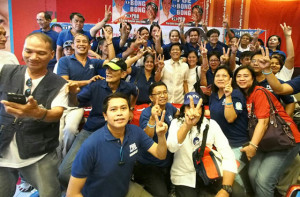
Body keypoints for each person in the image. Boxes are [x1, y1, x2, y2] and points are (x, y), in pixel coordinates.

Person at [0, 32, 68, 197]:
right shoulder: (6, 71)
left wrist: (39, 113)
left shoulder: (59, 83)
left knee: (50, 193)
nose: (33, 57)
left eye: (41, 53)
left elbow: (57, 113)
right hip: (2, 147)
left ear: (52, 54)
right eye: (28, 51)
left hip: (38, 152)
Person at [66, 92, 168, 197]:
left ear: (130, 113)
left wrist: (161, 136)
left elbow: (161, 155)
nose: (119, 113)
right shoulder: (91, 145)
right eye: (113, 109)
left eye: (123, 108)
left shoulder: (136, 132)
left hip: (124, 189)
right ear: (105, 116)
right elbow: (72, 193)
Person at [59, 58, 139, 188]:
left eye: (113, 70)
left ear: (123, 74)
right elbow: (76, 102)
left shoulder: (127, 87)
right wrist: (73, 94)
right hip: (91, 131)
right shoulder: (95, 86)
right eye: (107, 68)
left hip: (115, 134)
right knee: (64, 172)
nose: (108, 72)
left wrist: (131, 108)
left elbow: (135, 92)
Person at [233, 65, 300, 197]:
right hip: (265, 143)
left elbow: (263, 123)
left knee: (264, 181)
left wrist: (252, 145)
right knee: (252, 174)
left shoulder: (259, 92)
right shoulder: (243, 96)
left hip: (285, 142)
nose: (242, 79)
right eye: (238, 76)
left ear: (253, 78)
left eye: (246, 76)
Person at [167, 92, 237, 197]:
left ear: (202, 109)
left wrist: (226, 189)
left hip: (210, 174)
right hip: (184, 177)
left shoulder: (211, 124)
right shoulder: (176, 123)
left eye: (197, 106)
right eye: (189, 106)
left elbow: (228, 154)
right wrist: (187, 125)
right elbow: (172, 147)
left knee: (238, 192)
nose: (193, 110)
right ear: (184, 109)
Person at [210, 65, 251, 195]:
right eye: (217, 75)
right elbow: (213, 114)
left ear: (230, 79)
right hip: (222, 146)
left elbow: (230, 118)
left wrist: (228, 97)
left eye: (224, 76)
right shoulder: (213, 95)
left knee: (236, 180)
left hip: (237, 145)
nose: (220, 78)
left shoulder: (236, 94)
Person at [134, 81, 180, 196]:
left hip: (167, 161)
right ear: (151, 97)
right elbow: (147, 136)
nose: (163, 95)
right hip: (149, 164)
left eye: (165, 92)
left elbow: (178, 113)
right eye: (158, 93)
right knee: (162, 194)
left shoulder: (169, 107)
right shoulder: (146, 114)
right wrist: (152, 119)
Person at [249, 51, 295, 117]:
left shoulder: (275, 82)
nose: (255, 63)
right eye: (253, 61)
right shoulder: (245, 82)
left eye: (260, 61)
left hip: (273, 122)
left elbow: (290, 102)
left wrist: (285, 120)